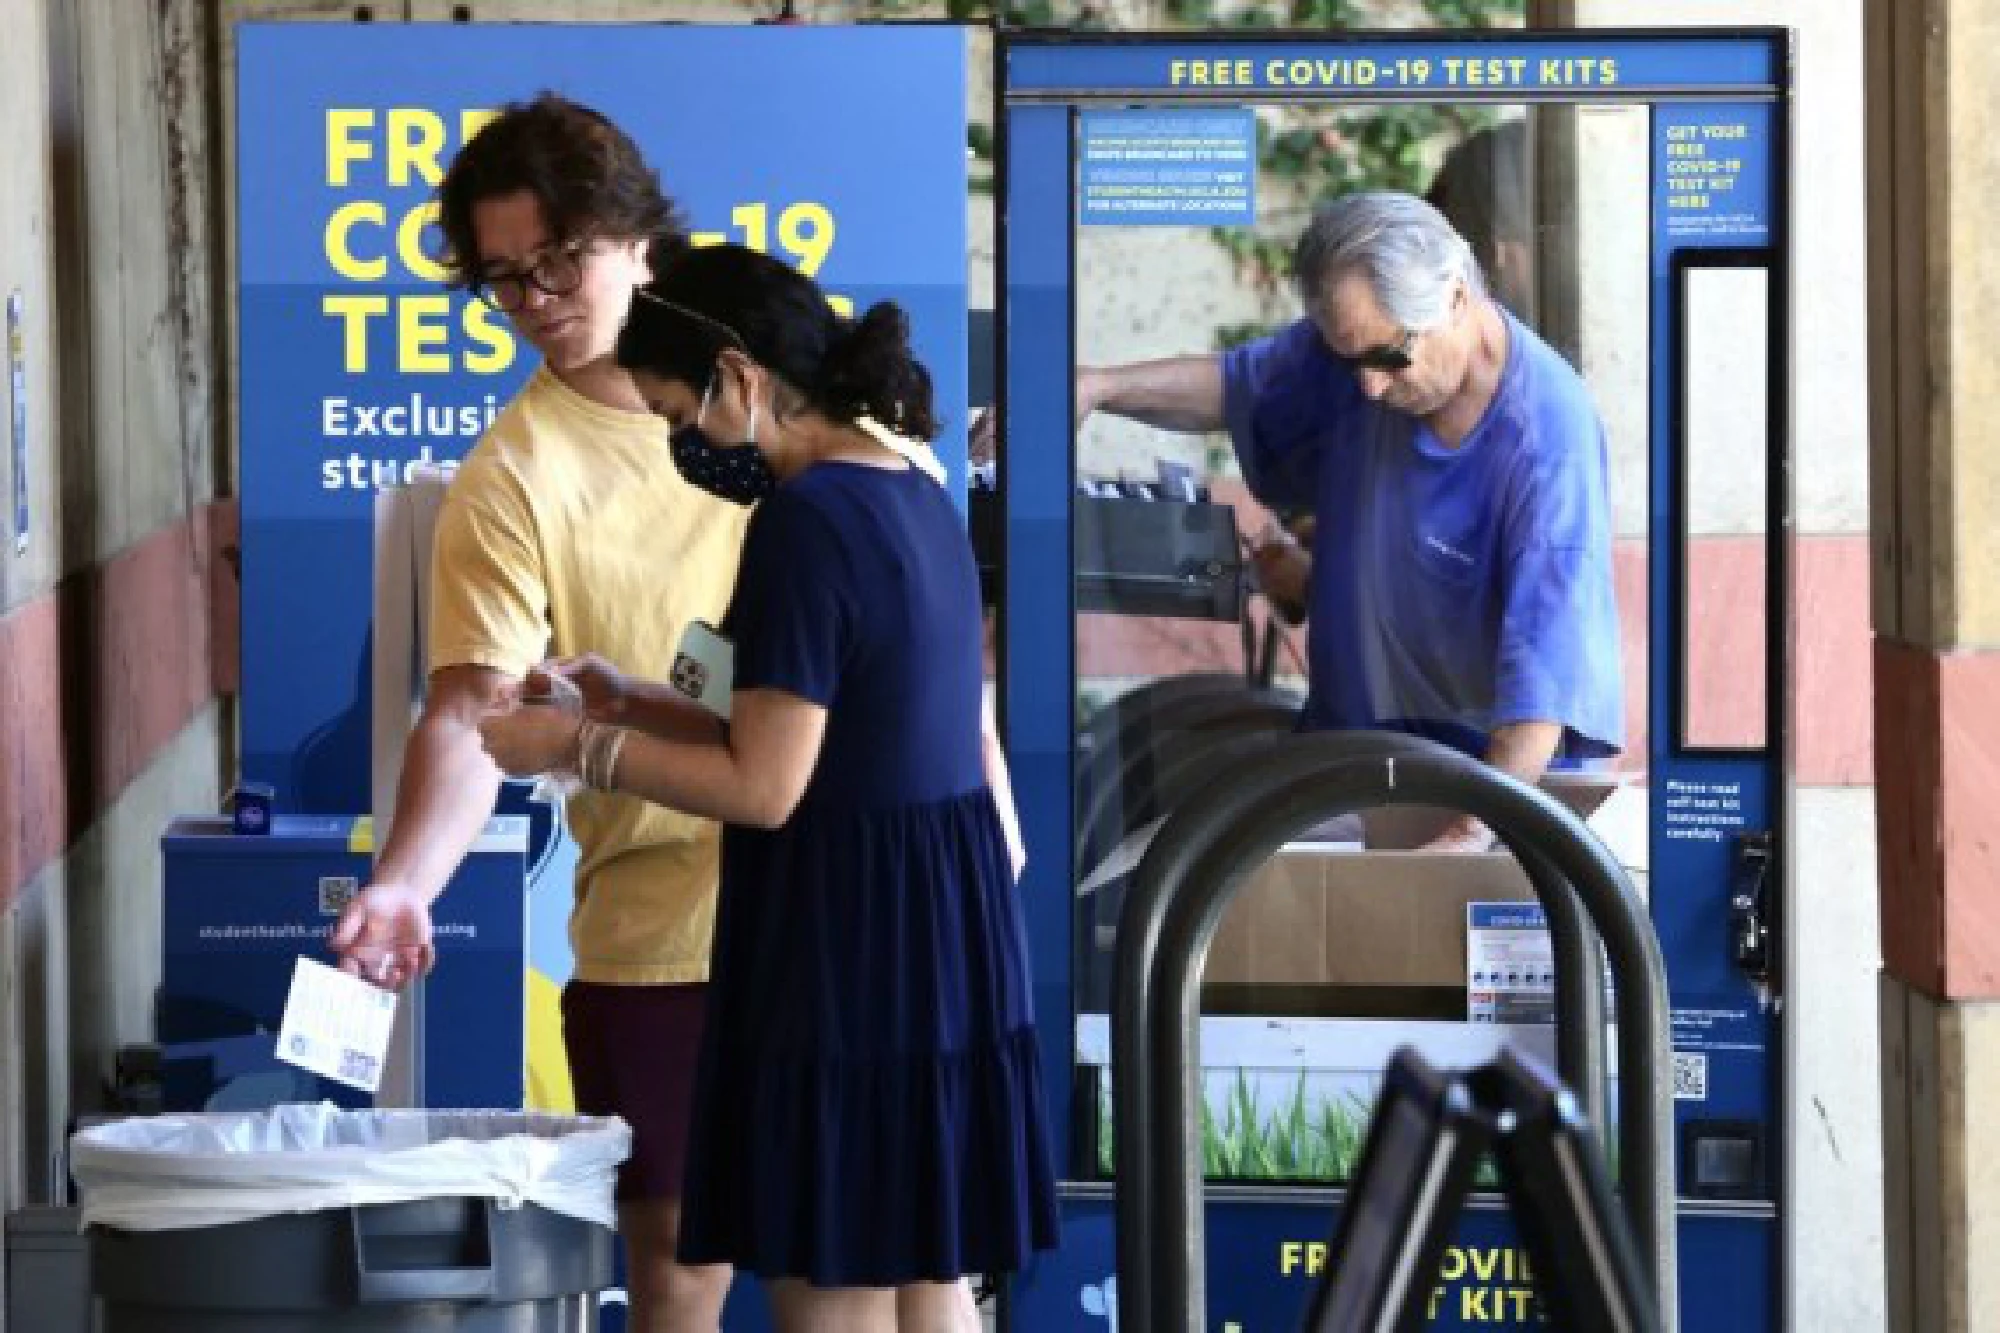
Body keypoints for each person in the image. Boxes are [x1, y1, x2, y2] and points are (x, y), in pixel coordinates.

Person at [478, 243, 1060, 1333]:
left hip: (845, 934)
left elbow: (764, 784)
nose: (679, 440)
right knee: (924, 1256)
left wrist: (574, 748)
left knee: (827, 1269)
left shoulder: (804, 521)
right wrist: (626, 698)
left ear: (737, 377)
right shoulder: (906, 483)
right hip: (936, 916)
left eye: (672, 409)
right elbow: (825, 723)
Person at [328, 93, 747, 1331]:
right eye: (504, 281)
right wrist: (406, 879)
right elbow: (470, 710)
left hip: (838, 896)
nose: (536, 301)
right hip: (662, 934)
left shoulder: (769, 389)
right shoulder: (513, 475)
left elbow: (904, 604)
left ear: (635, 239)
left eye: (557, 263)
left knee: (872, 1266)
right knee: (678, 1271)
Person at [1071, 190, 1622, 851]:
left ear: (1454, 298)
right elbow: (1237, 385)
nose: (1367, 388)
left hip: (1492, 783)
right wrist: (1098, 386)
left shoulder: (1547, 440)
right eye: (1346, 360)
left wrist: (1468, 835)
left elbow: (1545, 685)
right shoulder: (1357, 354)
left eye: (1389, 358)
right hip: (1349, 760)